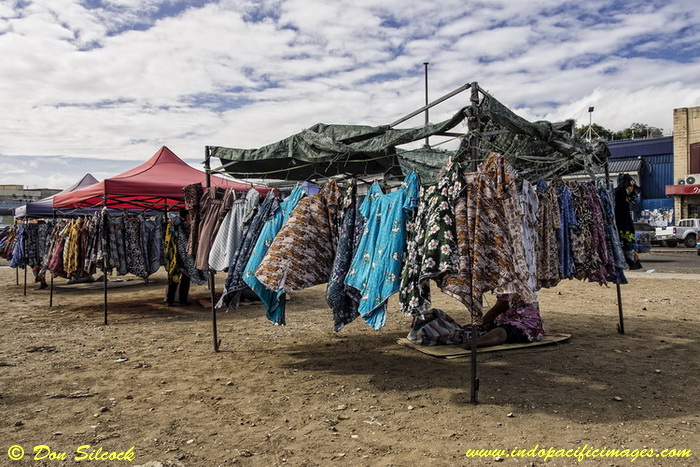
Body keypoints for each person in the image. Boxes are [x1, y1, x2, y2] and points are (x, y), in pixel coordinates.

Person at [462, 294, 544, 348]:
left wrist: (478, 324)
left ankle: (476, 343)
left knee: (500, 332)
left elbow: (496, 311)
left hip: (526, 325)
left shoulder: (510, 289)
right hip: (510, 319)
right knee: (488, 326)